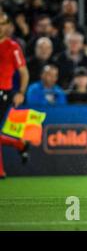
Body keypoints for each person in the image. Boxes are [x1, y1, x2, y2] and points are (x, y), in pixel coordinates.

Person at [0, 13, 30, 178]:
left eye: (3, 23)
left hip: (3, 93)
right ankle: (19, 144)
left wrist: (20, 92)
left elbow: (24, 73)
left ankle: (1, 171)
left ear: (8, 26)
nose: (0, 27)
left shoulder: (13, 47)